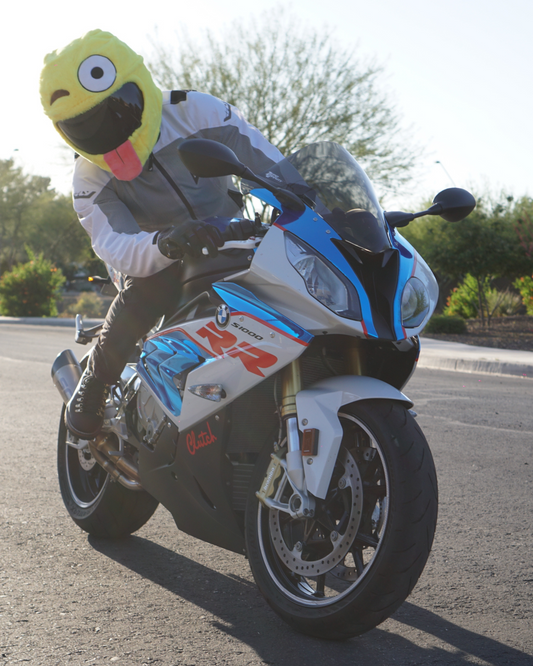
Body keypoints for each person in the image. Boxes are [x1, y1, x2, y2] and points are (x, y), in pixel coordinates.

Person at [40, 29, 283, 440]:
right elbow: (115, 244)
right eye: (86, 127)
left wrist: (323, 205)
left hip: (231, 235)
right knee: (150, 286)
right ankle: (95, 384)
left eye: (118, 108)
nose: (108, 130)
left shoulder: (197, 112)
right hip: (153, 257)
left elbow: (271, 166)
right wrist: (166, 243)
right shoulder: (88, 176)